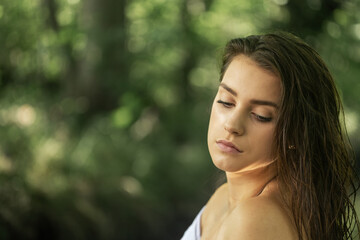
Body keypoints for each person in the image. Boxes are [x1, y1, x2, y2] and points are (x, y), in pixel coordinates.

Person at [181, 32, 360, 240]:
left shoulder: (255, 219)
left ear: (295, 134)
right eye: (226, 102)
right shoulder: (224, 197)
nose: (232, 125)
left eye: (261, 116)